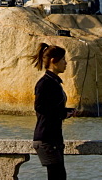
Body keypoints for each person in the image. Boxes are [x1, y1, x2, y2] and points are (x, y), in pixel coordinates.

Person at [31, 42, 75, 180]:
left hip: (53, 139)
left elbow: (52, 108)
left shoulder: (54, 82)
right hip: (46, 139)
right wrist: (63, 114)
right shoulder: (45, 83)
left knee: (59, 176)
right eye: (63, 60)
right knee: (57, 176)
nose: (66, 63)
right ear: (53, 61)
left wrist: (68, 111)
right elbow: (40, 107)